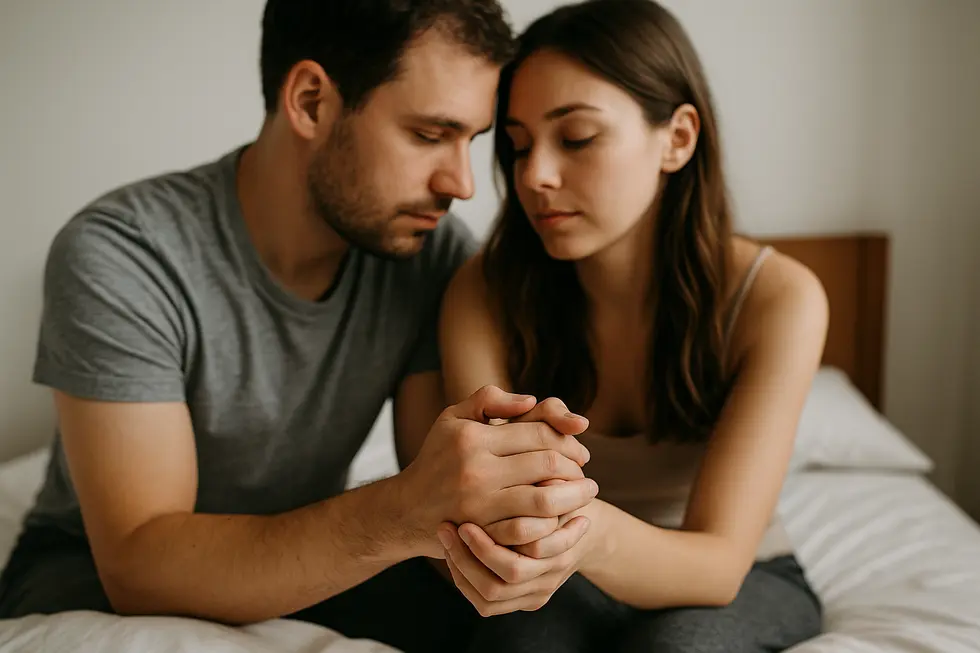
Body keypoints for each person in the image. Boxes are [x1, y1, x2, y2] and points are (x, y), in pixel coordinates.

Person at [0, 2, 602, 651]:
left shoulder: (431, 257)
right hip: (87, 578)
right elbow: (141, 566)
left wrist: (515, 526)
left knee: (566, 619)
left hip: (314, 564)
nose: (459, 183)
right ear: (311, 101)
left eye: (473, 141)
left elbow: (439, 505)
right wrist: (406, 508)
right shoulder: (123, 252)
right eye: (430, 135)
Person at [405, 0, 829, 651]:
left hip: (733, 572)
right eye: (518, 146)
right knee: (522, 640)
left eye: (576, 138)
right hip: (555, 565)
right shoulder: (484, 291)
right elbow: (492, 509)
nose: (535, 176)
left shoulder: (777, 299)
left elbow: (716, 565)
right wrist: (549, 539)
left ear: (678, 138)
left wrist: (583, 531)